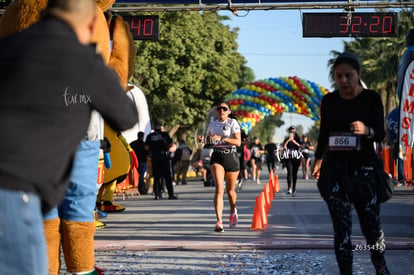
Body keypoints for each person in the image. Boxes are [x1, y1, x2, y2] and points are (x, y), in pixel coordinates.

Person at [0, 0, 138, 274]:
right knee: (74, 216)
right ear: (89, 25)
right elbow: (125, 116)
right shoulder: (82, 61)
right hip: (54, 166)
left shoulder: (8, 49)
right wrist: (117, 61)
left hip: (10, 180)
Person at [311, 52, 390, 274]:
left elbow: (381, 134)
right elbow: (324, 133)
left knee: (371, 229)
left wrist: (367, 131)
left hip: (364, 170)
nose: (344, 81)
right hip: (335, 170)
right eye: (339, 76)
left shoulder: (371, 99)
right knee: (342, 230)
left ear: (358, 74)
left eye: (349, 75)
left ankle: (379, 261)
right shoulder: (329, 101)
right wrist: (317, 160)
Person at [202, 101, 241, 232]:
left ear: (229, 111)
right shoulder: (213, 124)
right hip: (217, 156)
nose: (221, 111)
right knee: (219, 189)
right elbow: (208, 139)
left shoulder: (232, 123)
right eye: (219, 109)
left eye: (224, 109)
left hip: (231, 157)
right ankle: (219, 221)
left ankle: (232, 211)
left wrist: (222, 138)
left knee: (230, 191)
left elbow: (238, 142)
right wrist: (204, 139)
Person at [145, 122, 178, 200]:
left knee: (157, 176)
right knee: (167, 176)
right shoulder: (165, 135)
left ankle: (157, 194)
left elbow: (146, 147)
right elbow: (171, 145)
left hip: (155, 158)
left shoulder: (150, 136)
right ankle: (170, 194)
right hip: (164, 157)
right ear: (161, 127)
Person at [282, 126, 302, 195]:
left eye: (293, 131)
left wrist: (294, 141)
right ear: (289, 132)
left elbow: (301, 146)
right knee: (289, 173)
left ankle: (294, 188)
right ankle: (289, 188)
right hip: (288, 157)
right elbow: (283, 147)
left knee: (294, 174)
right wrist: (288, 141)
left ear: (295, 131)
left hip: (296, 157)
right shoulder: (286, 138)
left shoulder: (297, 138)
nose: (292, 132)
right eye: (291, 131)